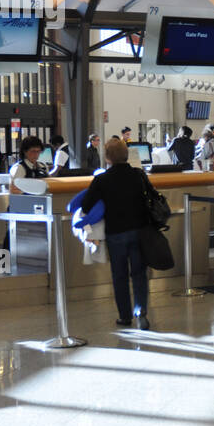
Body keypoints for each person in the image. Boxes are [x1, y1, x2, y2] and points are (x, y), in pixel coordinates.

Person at [79, 137, 155, 330]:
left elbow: (86, 205)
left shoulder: (102, 179)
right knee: (139, 274)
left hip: (116, 233)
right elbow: (151, 196)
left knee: (119, 275)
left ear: (107, 157)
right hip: (139, 231)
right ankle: (141, 312)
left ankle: (124, 315)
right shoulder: (138, 175)